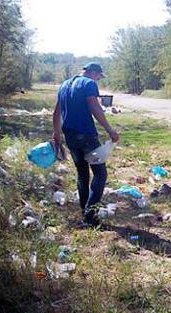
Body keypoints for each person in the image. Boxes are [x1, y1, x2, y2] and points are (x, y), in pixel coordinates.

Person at [53, 63, 119, 227]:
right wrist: (110, 130)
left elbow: (56, 112)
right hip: (87, 136)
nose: (98, 79)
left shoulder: (64, 85)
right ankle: (90, 215)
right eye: (99, 76)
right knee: (100, 173)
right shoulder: (89, 83)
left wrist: (56, 134)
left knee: (82, 174)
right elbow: (95, 107)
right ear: (94, 73)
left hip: (70, 136)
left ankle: (85, 211)